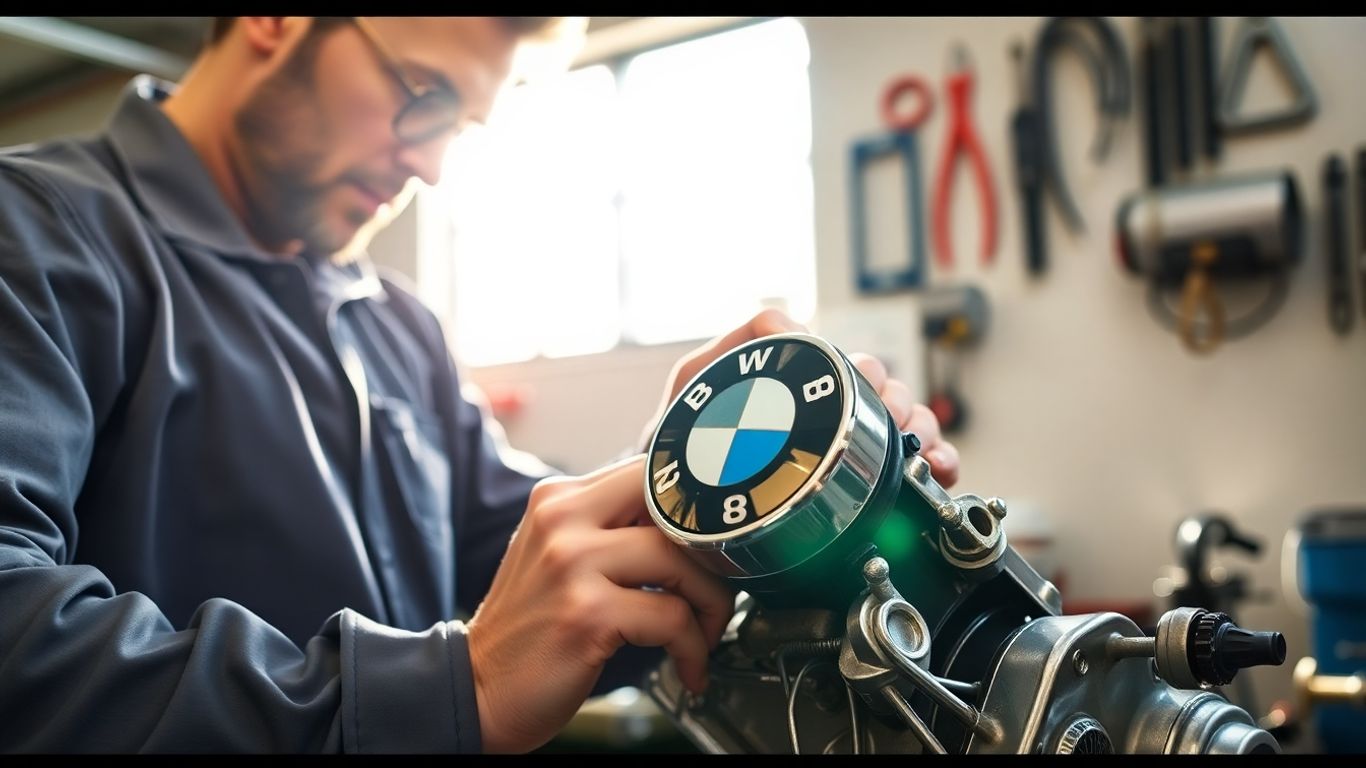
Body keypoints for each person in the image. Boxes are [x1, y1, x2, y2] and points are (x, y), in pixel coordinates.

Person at [0, 17, 960, 753]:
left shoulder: (396, 325)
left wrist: (714, 493)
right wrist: (455, 688)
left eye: (456, 128)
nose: (427, 161)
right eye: (422, 95)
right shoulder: (33, 237)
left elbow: (533, 583)